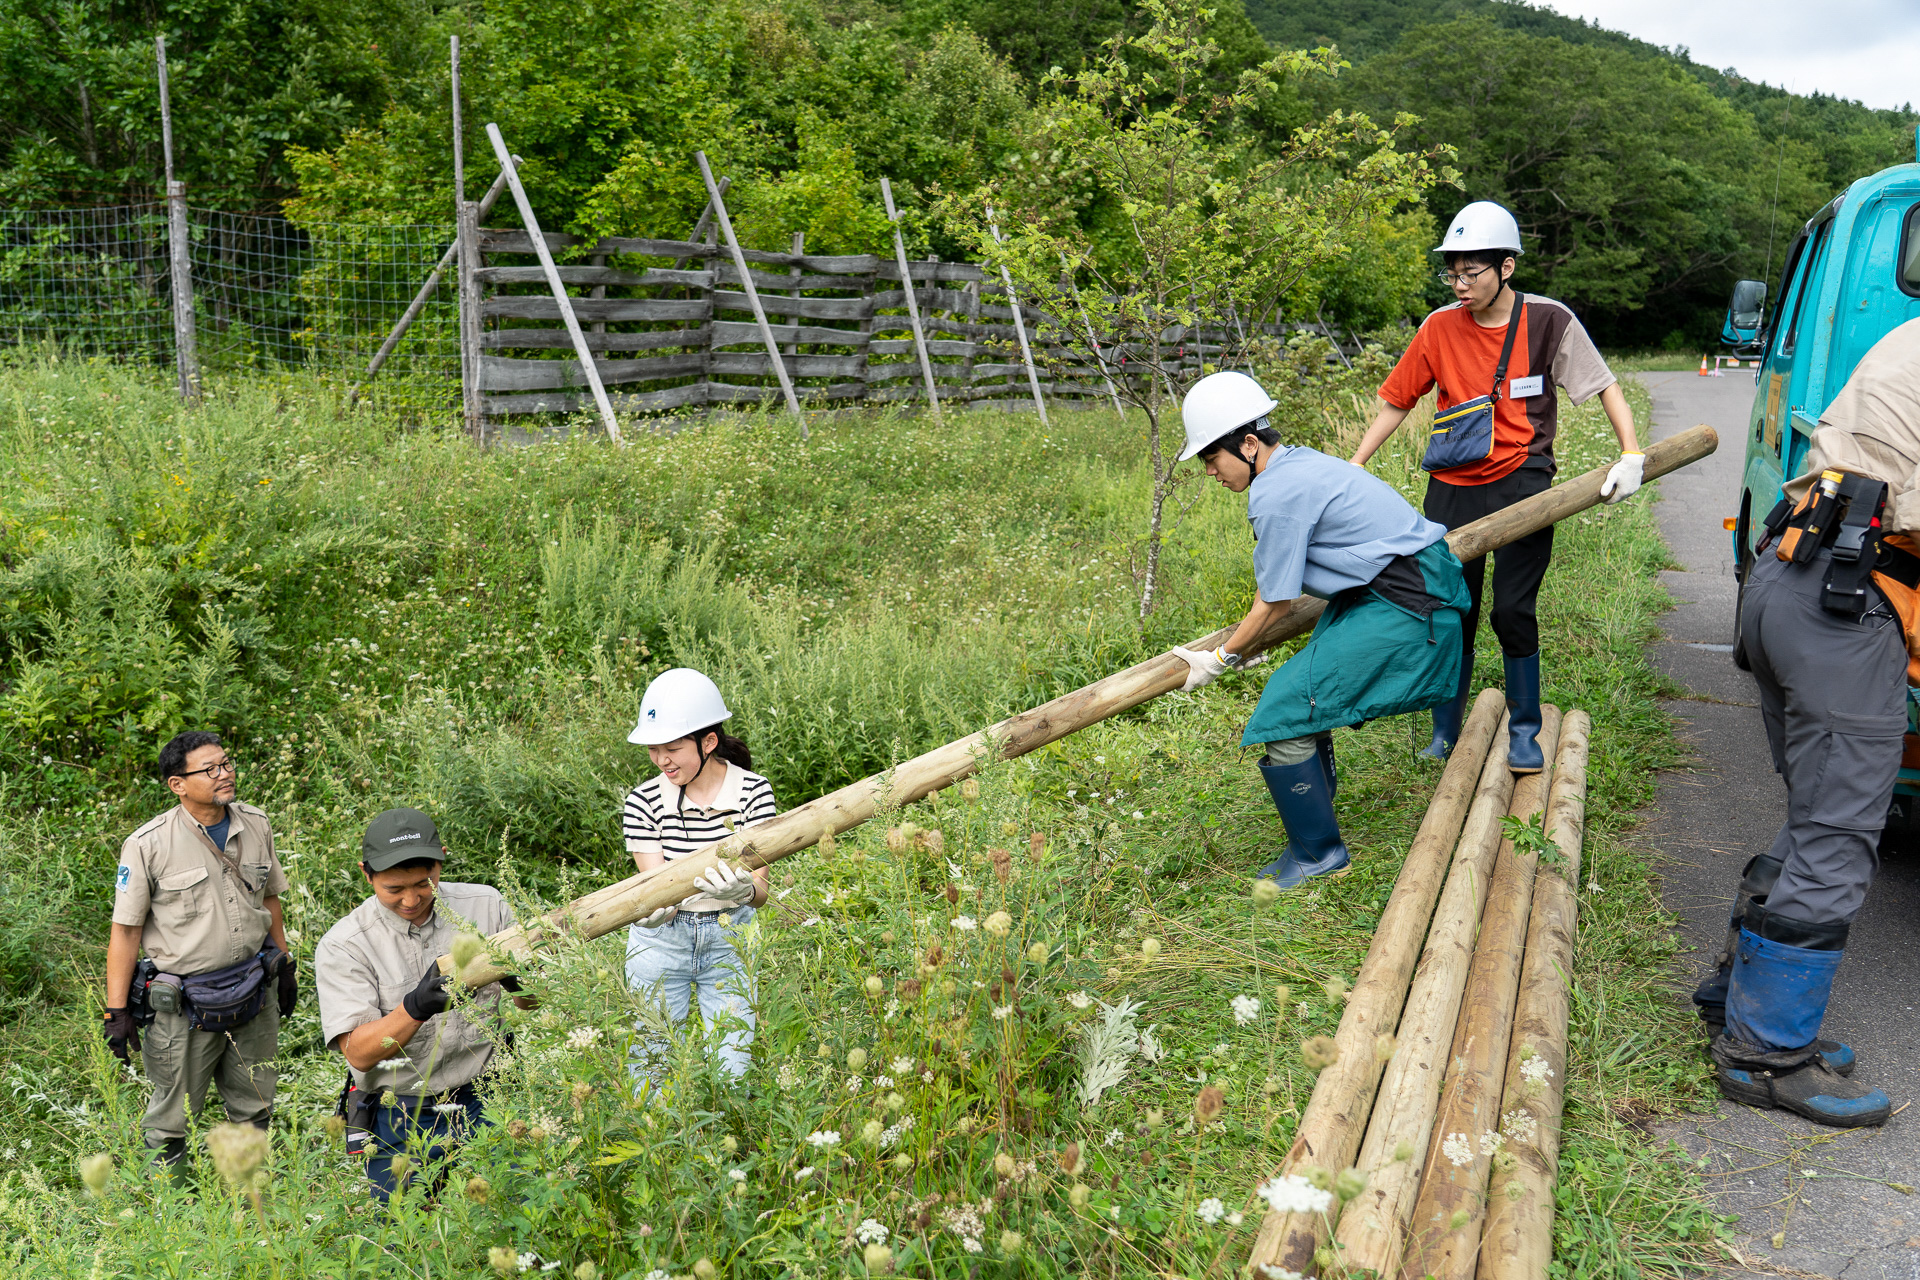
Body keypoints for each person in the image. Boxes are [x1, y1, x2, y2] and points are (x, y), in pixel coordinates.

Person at [1690, 318, 1920, 1128]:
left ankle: (1736, 1000)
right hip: (1847, 605)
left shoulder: (1910, 335)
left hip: (1789, 578)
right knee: (1839, 835)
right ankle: (1765, 1057)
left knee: (1819, 813)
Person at [1348, 200, 1644, 770]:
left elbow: (1604, 385)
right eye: (1451, 272)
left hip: (1524, 481)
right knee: (1448, 608)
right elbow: (1395, 400)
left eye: (1471, 272)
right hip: (1452, 488)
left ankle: (1525, 729)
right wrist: (1357, 461)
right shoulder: (1438, 327)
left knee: (1512, 609)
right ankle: (1443, 728)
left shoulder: (1550, 319)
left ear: (1506, 267)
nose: (1459, 284)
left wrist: (1631, 453)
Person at [1171, 371, 1472, 889]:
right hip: (1402, 590)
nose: (1210, 473)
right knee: (1304, 688)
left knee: (1287, 702)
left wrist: (1221, 659)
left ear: (1246, 445)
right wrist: (1246, 641)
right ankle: (1317, 810)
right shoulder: (1301, 463)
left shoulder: (1275, 492)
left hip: (1410, 605)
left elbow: (1275, 599)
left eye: (1211, 459)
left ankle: (1319, 853)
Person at [313, 808, 531, 1202]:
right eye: (394, 889)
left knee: (517, 1206)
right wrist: (414, 1008)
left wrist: (518, 979)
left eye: (423, 883)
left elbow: (533, 1002)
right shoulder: (344, 944)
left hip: (491, 1094)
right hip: (403, 1111)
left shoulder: (485, 905)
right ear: (366, 874)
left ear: (440, 860)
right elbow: (359, 1054)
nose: (411, 899)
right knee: (406, 1231)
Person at [105, 731, 294, 1171]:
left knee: (256, 1103)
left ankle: (252, 1204)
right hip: (185, 1005)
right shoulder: (148, 844)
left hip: (253, 988)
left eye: (226, 763)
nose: (224, 774)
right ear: (178, 784)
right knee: (171, 1120)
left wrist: (284, 965)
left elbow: (270, 899)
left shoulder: (256, 823)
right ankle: (175, 1220)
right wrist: (117, 1011)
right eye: (209, 770)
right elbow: (126, 931)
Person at [622, 668, 774, 1086]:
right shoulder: (643, 801)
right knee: (650, 1071)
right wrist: (651, 914)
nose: (661, 760)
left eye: (672, 748)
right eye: (654, 749)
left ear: (708, 742)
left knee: (732, 1071)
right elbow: (655, 887)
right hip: (661, 942)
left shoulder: (753, 792)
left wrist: (744, 891)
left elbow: (761, 889)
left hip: (730, 940)